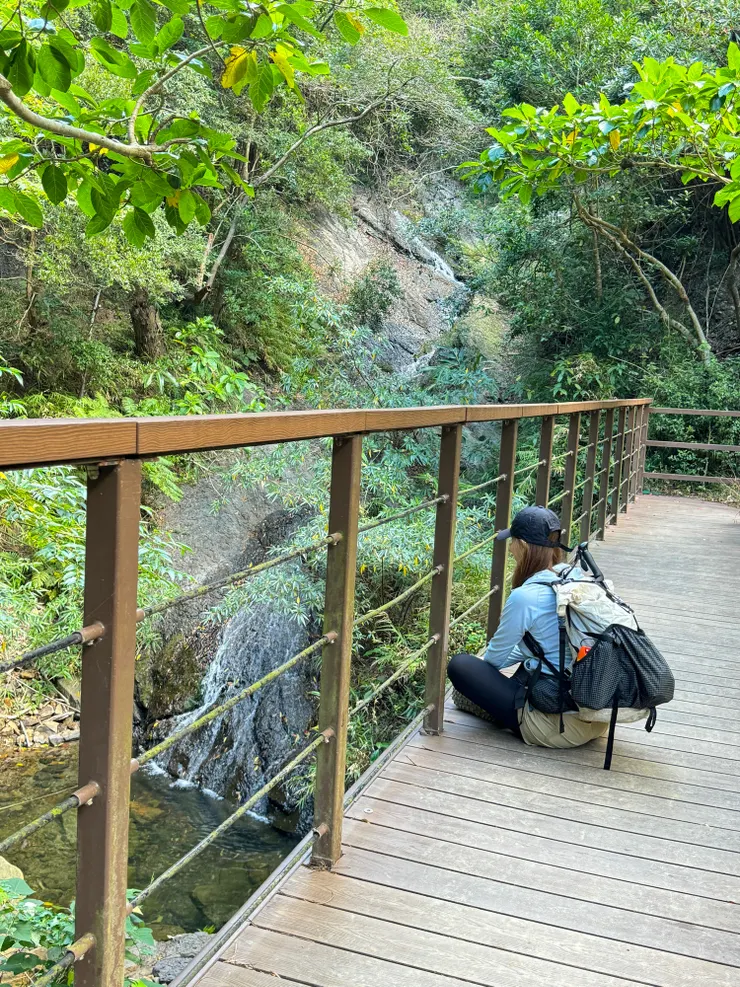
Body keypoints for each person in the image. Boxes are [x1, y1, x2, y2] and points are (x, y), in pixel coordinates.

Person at [447, 505, 609, 749]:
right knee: (530, 662)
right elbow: (545, 644)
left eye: (512, 542)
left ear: (521, 545)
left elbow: (494, 661)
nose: (510, 548)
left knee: (460, 666)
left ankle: (507, 713)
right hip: (595, 716)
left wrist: (482, 673)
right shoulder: (575, 576)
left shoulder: (525, 597)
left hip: (556, 726)